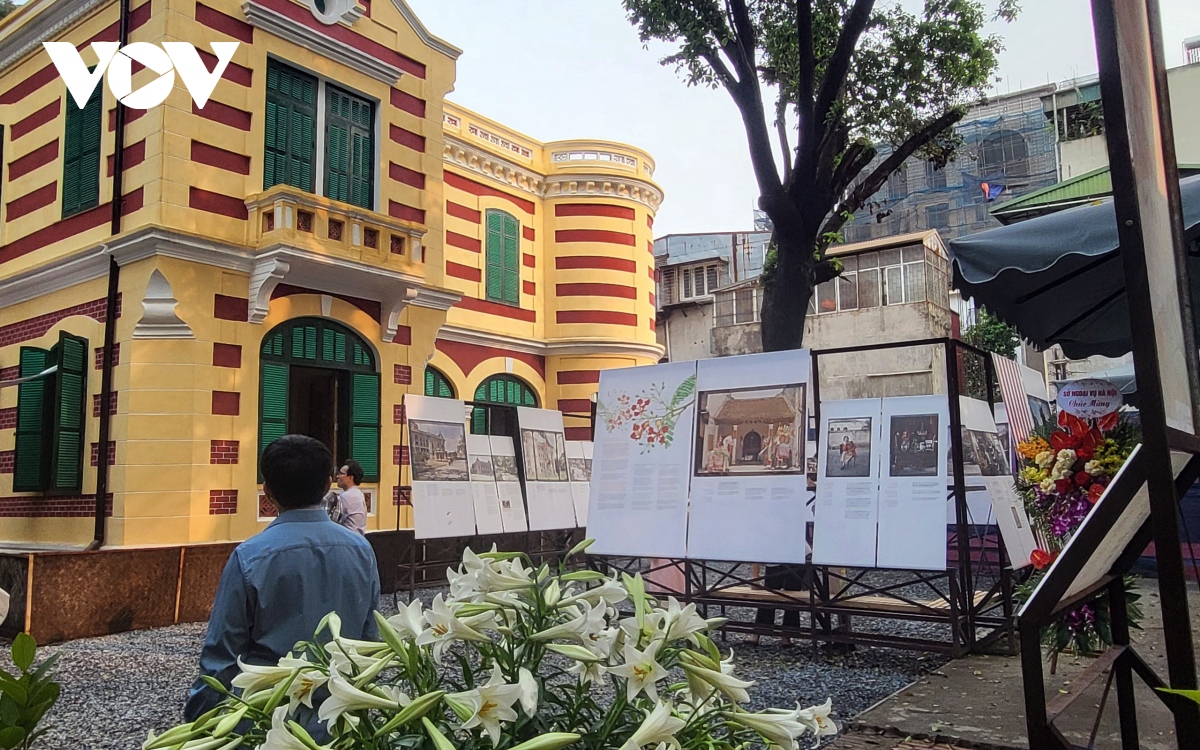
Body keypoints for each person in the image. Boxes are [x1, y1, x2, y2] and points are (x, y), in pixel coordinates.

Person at [185, 435, 380, 721]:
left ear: (267, 491)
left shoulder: (249, 556)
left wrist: (200, 720)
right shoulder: (362, 550)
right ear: (328, 485)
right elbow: (370, 637)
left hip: (268, 714)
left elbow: (223, 654)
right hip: (342, 715)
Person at [333, 459, 368, 535]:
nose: (337, 476)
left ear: (350, 478)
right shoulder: (359, 494)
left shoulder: (345, 496)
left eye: (341, 473)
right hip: (359, 538)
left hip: (347, 538)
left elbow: (334, 521)